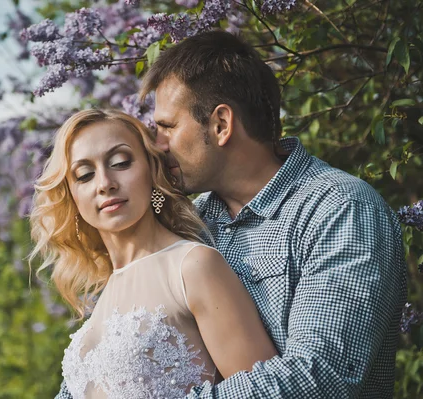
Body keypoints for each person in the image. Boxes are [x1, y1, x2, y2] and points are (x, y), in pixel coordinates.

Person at [134, 30, 406, 398]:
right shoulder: (191, 222)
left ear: (220, 125)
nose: (157, 144)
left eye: (166, 126)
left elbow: (320, 378)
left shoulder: (340, 210)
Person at [30, 109, 278, 398]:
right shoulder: (104, 295)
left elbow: (267, 391)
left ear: (152, 169)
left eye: (121, 162)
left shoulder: (193, 267)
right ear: (72, 196)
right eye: (84, 175)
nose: (105, 183)